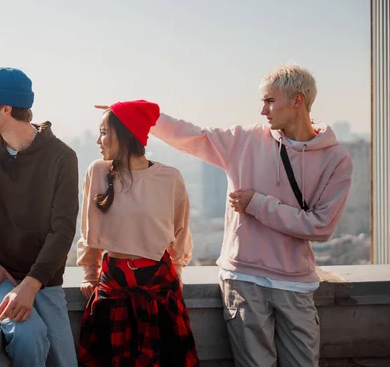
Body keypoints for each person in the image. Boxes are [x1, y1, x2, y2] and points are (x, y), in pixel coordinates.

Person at [148, 64, 353, 366]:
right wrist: (142, 115)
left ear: (298, 101)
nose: (262, 110)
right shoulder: (244, 141)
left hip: (295, 283)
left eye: (270, 101)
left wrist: (258, 204)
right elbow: (192, 136)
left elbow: (321, 227)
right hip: (243, 278)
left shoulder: (336, 159)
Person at [0, 67, 79, 367]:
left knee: (66, 362)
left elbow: (62, 231)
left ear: (6, 109)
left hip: (42, 280)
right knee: (28, 334)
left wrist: (31, 284)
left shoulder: (61, 158)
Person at [77, 100, 199, 366]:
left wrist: (177, 272)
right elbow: (89, 230)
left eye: (105, 132)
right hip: (113, 283)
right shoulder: (97, 171)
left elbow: (180, 232)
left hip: (159, 285)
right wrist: (89, 273)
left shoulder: (170, 177)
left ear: (126, 135)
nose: (100, 140)